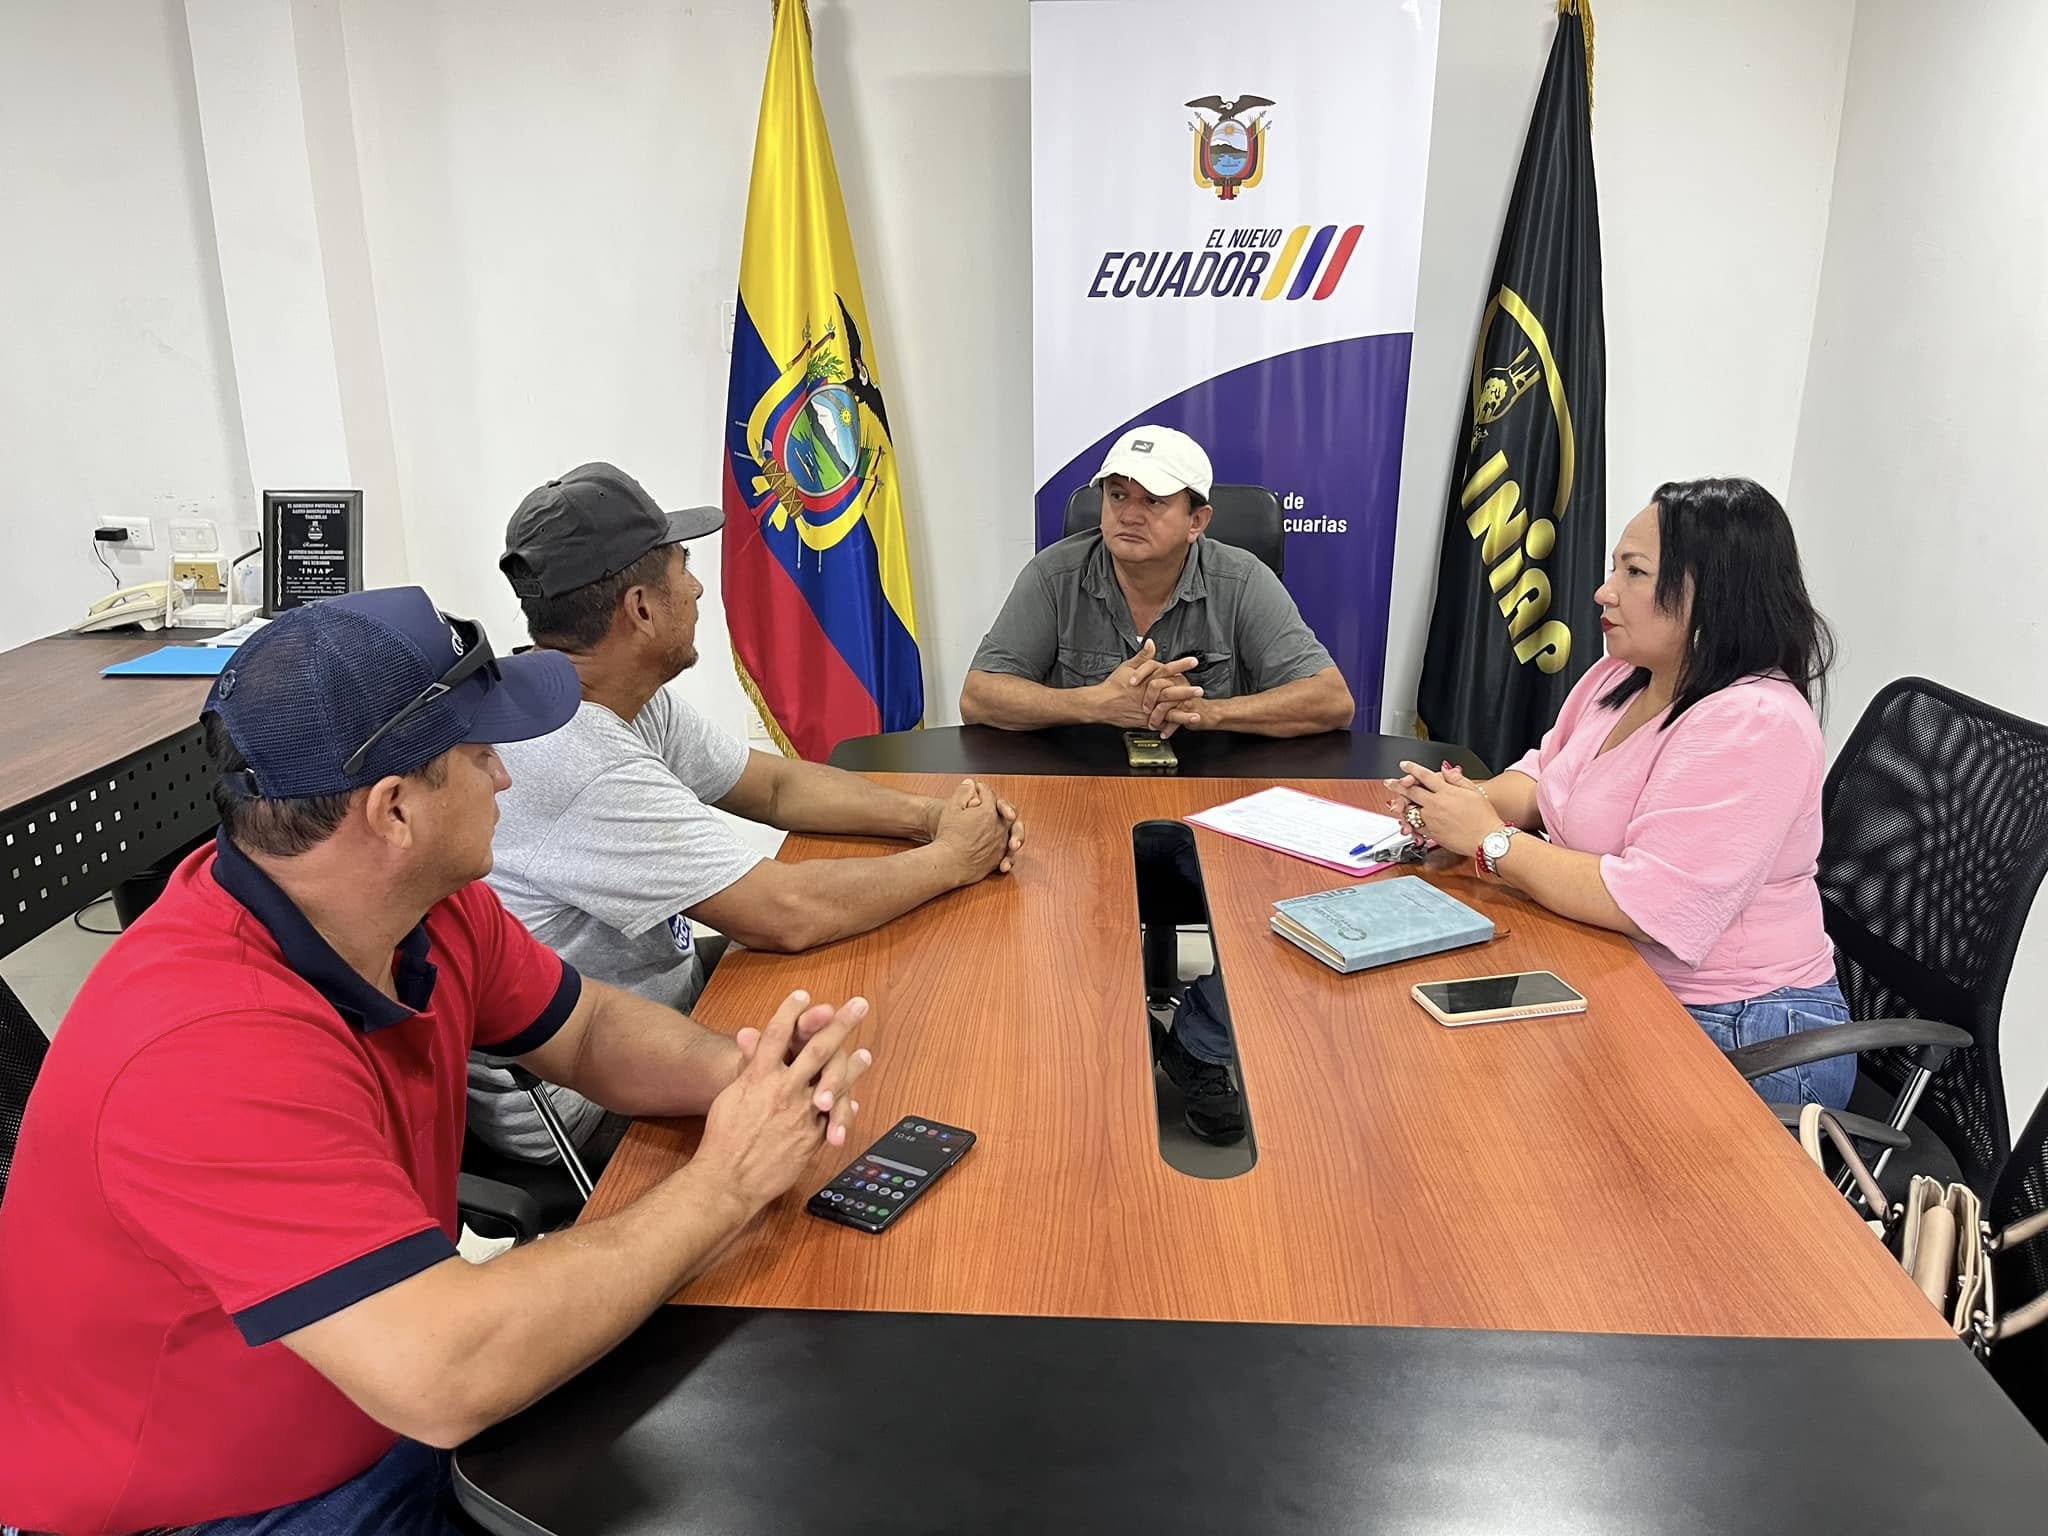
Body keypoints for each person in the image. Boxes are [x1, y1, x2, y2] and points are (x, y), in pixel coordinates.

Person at [0, 588, 871, 1534]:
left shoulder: (422, 905)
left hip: (384, 1396)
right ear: (395, 811)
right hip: (220, 1506)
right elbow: (447, 1376)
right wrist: (729, 1179)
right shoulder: (204, 1050)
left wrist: (754, 1080)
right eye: (480, 751)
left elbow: (585, 1032)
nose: (505, 775)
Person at [474, 462, 1022, 1163]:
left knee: (900, 1006)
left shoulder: (606, 694)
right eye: (683, 567)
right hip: (584, 1105)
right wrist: (954, 859)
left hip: (658, 1009)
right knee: (883, 1093)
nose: (698, 588)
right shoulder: (576, 756)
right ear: (640, 609)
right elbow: (782, 912)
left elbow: (772, 788)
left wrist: (932, 818)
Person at [1389, 477, 1851, 1107]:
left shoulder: (1754, 722)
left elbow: (1650, 907)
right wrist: (1462, 803)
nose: (1604, 591)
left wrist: (1490, 841)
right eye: (1615, 568)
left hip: (1741, 1027)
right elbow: (1547, 774)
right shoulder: (1624, 672)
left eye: (1635, 572)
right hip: (1614, 967)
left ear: (1715, 594)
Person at [959, 427, 1353, 1145]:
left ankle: (1198, 1042)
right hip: (1080, 809)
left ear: (1197, 520)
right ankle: (1107, 1030)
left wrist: (1210, 712)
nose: (1128, 514)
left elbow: (1331, 701)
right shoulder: (1055, 574)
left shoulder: (1241, 580)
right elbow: (980, 696)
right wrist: (1094, 703)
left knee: (1286, 903)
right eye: (1117, 496)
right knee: (1022, 897)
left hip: (1211, 811)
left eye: (1153, 501)